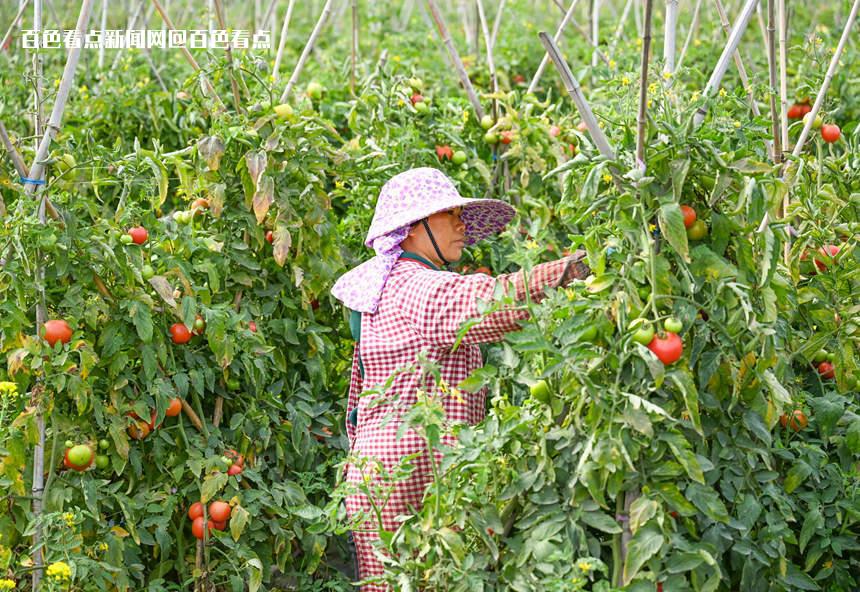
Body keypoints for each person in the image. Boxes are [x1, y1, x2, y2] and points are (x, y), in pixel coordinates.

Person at [330, 167, 590, 590]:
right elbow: (489, 303)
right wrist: (571, 271)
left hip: (379, 468)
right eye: (447, 214)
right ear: (411, 228)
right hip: (412, 472)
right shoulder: (416, 285)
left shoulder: (385, 284)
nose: (460, 225)